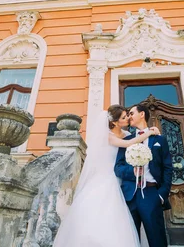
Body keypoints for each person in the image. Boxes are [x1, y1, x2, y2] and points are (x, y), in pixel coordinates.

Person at [53, 105, 160, 247]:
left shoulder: (128, 134)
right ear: (115, 122)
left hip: (123, 180)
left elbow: (132, 143)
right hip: (106, 178)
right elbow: (127, 144)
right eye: (124, 117)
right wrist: (150, 132)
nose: (128, 118)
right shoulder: (108, 136)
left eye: (128, 114)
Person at [115, 104, 173, 247]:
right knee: (130, 241)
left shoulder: (160, 140)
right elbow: (118, 167)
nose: (129, 116)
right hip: (129, 195)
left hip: (151, 194)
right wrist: (131, 172)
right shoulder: (127, 140)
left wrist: (161, 195)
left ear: (142, 114)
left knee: (156, 239)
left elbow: (168, 168)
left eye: (131, 113)